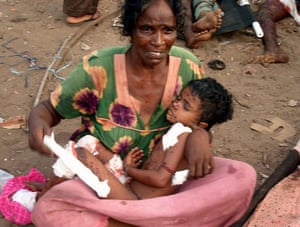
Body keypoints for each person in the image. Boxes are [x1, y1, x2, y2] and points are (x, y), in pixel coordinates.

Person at [28, 0, 256, 226]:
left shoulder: (188, 67)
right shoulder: (98, 68)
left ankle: (131, 220)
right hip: (110, 174)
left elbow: (202, 118)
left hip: (163, 180)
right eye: (147, 29)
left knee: (243, 177)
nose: (158, 42)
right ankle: (148, 219)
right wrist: (37, 123)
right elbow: (48, 110)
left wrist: (200, 137)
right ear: (130, 28)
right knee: (51, 212)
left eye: (168, 31)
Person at [43, 78, 234, 201]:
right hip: (130, 185)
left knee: (79, 153)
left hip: (133, 199)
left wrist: (129, 170)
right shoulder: (181, 130)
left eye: (185, 106)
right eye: (178, 99)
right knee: (87, 142)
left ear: (202, 125)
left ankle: (40, 198)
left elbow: (160, 179)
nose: (175, 105)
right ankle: (49, 188)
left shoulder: (185, 134)